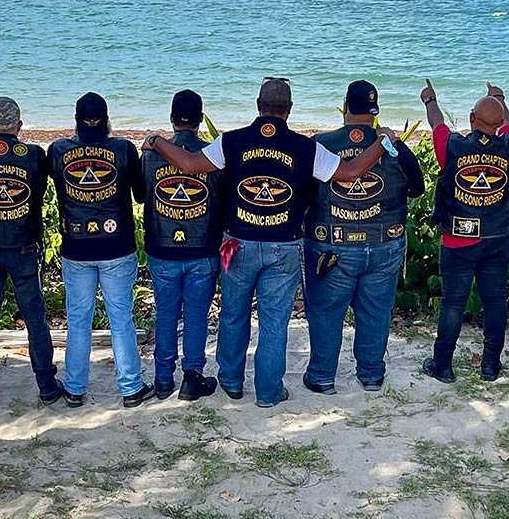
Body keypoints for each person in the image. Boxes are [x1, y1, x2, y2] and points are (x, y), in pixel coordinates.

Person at [143, 77, 395, 407]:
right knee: (274, 321)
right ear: (288, 110)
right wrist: (383, 141)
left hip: (239, 244)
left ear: (258, 105)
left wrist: (157, 141)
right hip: (285, 245)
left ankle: (232, 382)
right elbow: (350, 173)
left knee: (233, 315)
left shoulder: (231, 142)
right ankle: (268, 392)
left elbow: (189, 165)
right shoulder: (306, 147)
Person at [303, 81, 424, 393]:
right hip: (385, 242)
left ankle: (322, 377)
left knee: (326, 311)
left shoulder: (320, 145)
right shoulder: (397, 147)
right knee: (376, 310)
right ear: (375, 112)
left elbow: (303, 194)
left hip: (331, 243)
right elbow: (417, 189)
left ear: (345, 108)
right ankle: (370, 374)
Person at [48, 92, 154, 408]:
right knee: (120, 317)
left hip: (75, 247)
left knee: (78, 319)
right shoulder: (123, 148)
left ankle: (75, 389)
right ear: (107, 121)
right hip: (116, 245)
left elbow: (56, 186)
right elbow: (139, 195)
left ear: (76, 121)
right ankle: (131, 389)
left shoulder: (57, 150)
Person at [0, 97, 64, 408]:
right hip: (23, 246)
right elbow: (39, 193)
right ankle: (45, 382)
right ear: (19, 126)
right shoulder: (33, 156)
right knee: (34, 317)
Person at [420, 80, 509, 383]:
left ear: (470, 119)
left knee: (453, 303)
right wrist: (499, 97)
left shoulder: (451, 146)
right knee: (494, 302)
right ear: (500, 124)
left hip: (458, 238)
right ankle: (490, 365)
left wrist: (430, 100)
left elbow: (436, 122)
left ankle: (443, 365)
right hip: (497, 236)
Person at [142, 90, 222, 401]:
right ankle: (192, 376)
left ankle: (163, 380)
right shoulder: (214, 154)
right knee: (196, 314)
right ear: (201, 119)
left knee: (165, 314)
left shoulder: (150, 155)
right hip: (202, 247)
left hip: (162, 247)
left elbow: (141, 195)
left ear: (172, 119)